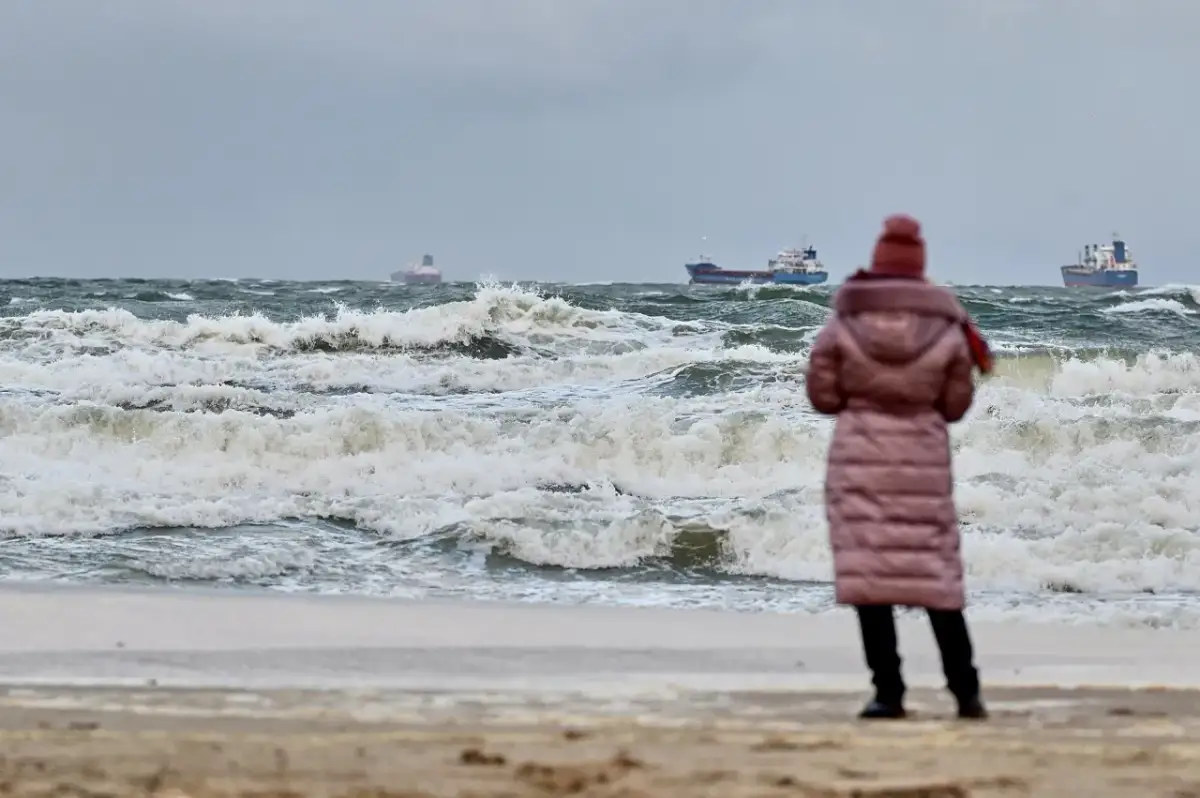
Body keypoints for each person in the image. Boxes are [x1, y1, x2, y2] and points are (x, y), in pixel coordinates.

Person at [804, 214, 992, 721]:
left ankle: (888, 694)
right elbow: (955, 404)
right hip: (923, 464)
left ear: (878, 262)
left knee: (872, 581)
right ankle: (966, 692)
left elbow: (822, 395)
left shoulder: (844, 322)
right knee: (936, 579)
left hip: (859, 460)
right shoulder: (950, 327)